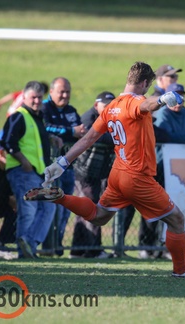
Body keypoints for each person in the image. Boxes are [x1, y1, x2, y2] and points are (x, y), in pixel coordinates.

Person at [24, 61, 185, 278]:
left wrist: (62, 163)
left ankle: (60, 198)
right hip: (137, 177)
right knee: (176, 219)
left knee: (98, 216)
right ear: (143, 83)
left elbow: (89, 138)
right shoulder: (135, 101)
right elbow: (146, 105)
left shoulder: (112, 106)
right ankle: (181, 270)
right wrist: (161, 99)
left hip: (118, 175)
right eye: (148, 86)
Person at [140, 83, 185, 259]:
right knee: (153, 208)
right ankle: (147, 247)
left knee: (172, 210)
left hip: (179, 173)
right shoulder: (163, 113)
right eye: (175, 95)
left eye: (181, 95)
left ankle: (165, 247)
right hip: (161, 169)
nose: (179, 100)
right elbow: (167, 136)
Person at [1, 81, 61, 259]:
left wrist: (50, 138)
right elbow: (7, 142)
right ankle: (24, 251)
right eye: (33, 97)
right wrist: (23, 160)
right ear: (24, 97)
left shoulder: (37, 117)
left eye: (39, 97)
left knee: (48, 207)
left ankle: (29, 244)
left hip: (37, 173)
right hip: (22, 171)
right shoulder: (18, 116)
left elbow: (33, 138)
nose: (36, 101)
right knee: (28, 211)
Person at [41, 77, 86, 256]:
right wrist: (69, 132)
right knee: (50, 206)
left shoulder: (71, 110)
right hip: (49, 169)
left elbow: (80, 130)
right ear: (51, 92)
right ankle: (46, 246)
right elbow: (44, 128)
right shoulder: (43, 108)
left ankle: (57, 245)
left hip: (68, 168)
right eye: (61, 91)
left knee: (66, 208)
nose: (65, 95)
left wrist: (76, 133)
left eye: (68, 91)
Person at [69, 91, 116, 259]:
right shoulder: (89, 117)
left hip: (97, 173)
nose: (109, 109)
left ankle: (78, 250)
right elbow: (94, 136)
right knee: (91, 209)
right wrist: (116, 138)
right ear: (97, 105)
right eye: (106, 106)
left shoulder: (111, 119)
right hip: (85, 173)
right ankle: (93, 250)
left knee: (85, 211)